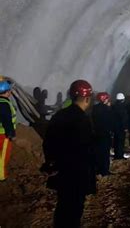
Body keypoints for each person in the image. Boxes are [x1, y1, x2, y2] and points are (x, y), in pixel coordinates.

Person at [42, 80, 96, 227]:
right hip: (76, 174)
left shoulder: (59, 115)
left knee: (62, 207)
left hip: (61, 172)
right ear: (87, 98)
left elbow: (48, 143)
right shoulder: (82, 120)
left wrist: (52, 164)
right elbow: (85, 150)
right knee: (74, 210)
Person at [91, 92, 114, 176]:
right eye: (107, 98)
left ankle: (97, 169)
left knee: (97, 152)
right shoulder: (107, 109)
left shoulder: (94, 108)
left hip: (96, 134)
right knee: (105, 153)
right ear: (104, 99)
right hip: (105, 134)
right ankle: (104, 171)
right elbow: (110, 121)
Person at [0, 80, 16, 181]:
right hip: (3, 135)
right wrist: (11, 133)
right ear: (7, 92)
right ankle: (1, 176)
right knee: (3, 156)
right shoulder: (4, 104)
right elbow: (7, 120)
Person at [111, 93, 128, 159]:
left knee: (116, 141)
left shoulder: (113, 106)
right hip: (121, 128)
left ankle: (116, 154)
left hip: (115, 127)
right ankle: (120, 155)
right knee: (121, 141)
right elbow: (124, 118)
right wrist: (125, 127)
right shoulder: (122, 107)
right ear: (123, 99)